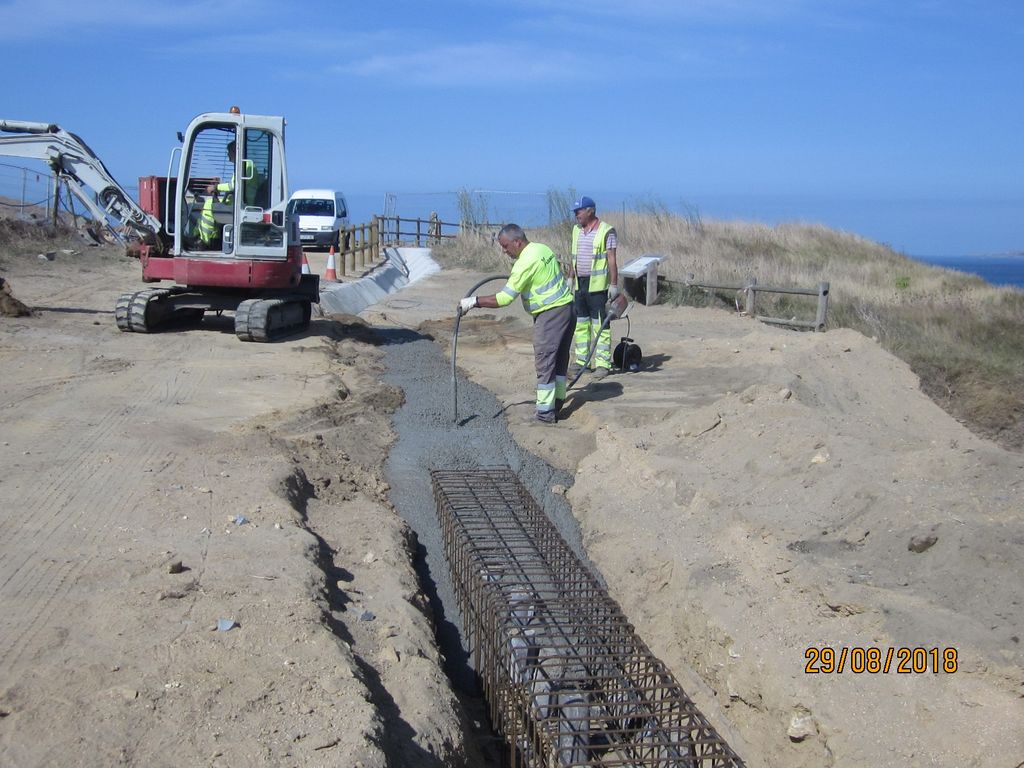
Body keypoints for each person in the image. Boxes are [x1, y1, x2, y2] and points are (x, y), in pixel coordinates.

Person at [459, 224, 575, 424]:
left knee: (545, 362)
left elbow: (504, 298)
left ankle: (545, 416)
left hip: (550, 316)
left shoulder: (524, 263)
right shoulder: (542, 249)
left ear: (517, 242)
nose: (504, 251)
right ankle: (556, 405)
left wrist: (474, 302)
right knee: (559, 362)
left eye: (505, 246)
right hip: (567, 309)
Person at [568, 195, 618, 380]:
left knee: (600, 326)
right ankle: (582, 362)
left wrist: (613, 284)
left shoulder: (606, 231)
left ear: (590, 211)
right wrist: (570, 278)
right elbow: (573, 256)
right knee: (581, 323)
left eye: (579, 211)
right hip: (580, 284)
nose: (576, 215)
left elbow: (611, 259)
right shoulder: (576, 231)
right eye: (575, 212)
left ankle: (603, 364)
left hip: (597, 287)